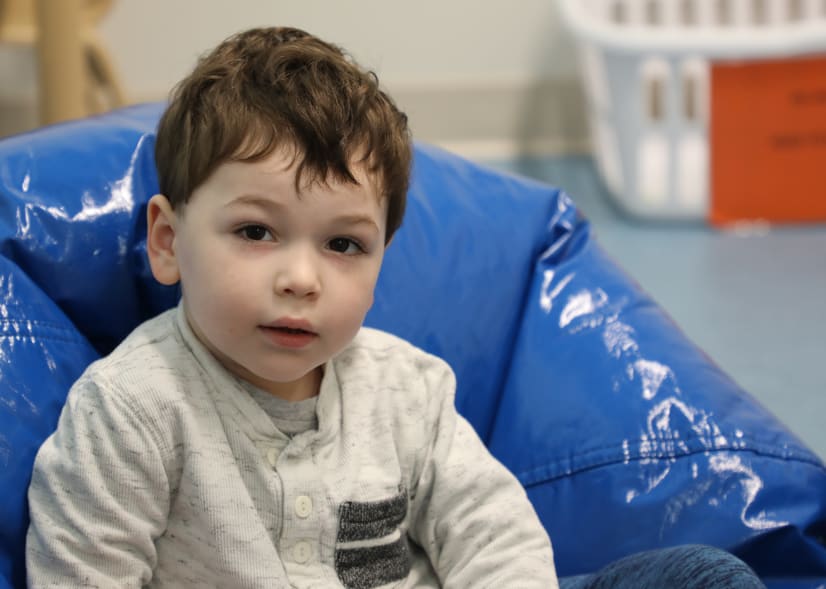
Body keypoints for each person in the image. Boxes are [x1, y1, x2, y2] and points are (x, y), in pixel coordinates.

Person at [25, 25, 767, 589]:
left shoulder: (406, 388)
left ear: (382, 255)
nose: (301, 278)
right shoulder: (131, 412)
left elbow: (492, 532)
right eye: (255, 232)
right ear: (166, 240)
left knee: (708, 574)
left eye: (343, 245)